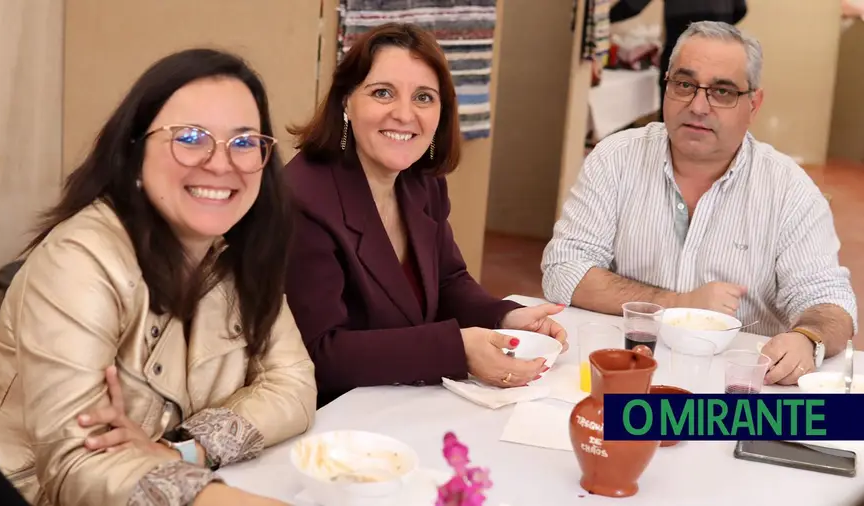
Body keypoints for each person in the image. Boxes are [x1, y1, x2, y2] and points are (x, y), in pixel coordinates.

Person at [0, 48, 316, 506]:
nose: (221, 162)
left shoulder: (239, 252)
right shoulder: (80, 258)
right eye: (190, 136)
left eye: (245, 142)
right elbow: (76, 467)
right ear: (133, 153)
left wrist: (182, 449)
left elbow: (293, 384)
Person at [541, 21, 857, 387]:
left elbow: (830, 302)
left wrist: (808, 338)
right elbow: (564, 271)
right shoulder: (615, 158)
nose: (698, 106)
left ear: (753, 104)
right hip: (625, 374)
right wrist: (679, 302)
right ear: (667, 86)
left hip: (734, 392)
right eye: (685, 85)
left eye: (722, 91)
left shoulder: (788, 189)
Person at [283, 22, 568, 407]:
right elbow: (319, 353)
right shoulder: (303, 198)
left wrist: (504, 318)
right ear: (346, 100)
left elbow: (448, 281)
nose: (405, 114)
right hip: (334, 419)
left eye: (423, 97)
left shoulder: (421, 181)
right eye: (383, 93)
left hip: (404, 398)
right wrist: (457, 349)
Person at [609, 0, 748, 121]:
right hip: (720, 54)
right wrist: (715, 27)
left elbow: (632, 6)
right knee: (717, 116)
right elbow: (740, 9)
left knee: (675, 120)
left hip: (682, 53)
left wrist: (600, 17)